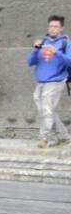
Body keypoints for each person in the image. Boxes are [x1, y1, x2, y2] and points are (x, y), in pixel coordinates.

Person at [27, 15, 70, 148]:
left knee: (47, 108)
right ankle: (64, 136)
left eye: (56, 26)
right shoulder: (42, 42)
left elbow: (69, 61)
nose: (52, 29)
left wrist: (56, 52)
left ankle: (44, 138)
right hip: (41, 81)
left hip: (56, 80)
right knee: (48, 110)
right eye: (51, 26)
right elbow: (30, 62)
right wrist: (35, 50)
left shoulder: (66, 43)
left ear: (61, 28)